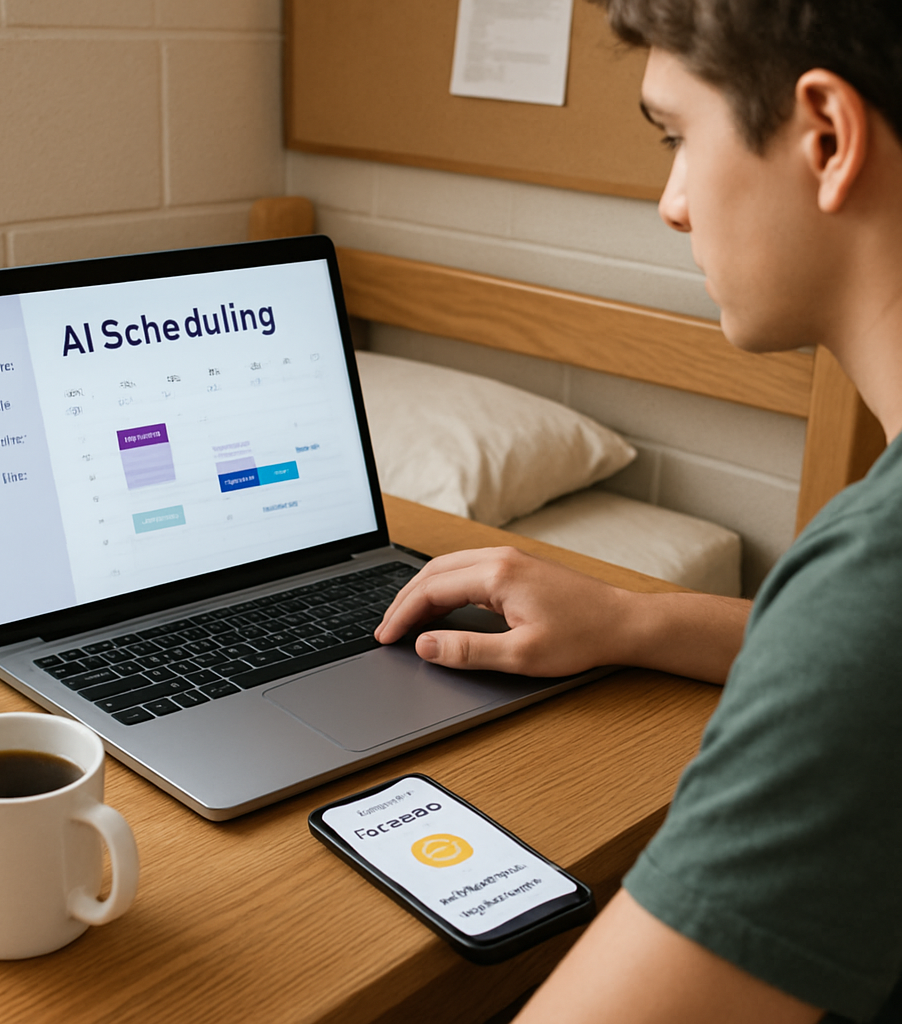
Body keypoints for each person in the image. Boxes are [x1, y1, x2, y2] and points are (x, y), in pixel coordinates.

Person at [374, 2, 902, 1020]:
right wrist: (632, 618)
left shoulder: (872, 595)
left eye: (676, 137)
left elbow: (861, 651)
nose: (671, 202)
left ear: (826, 138)